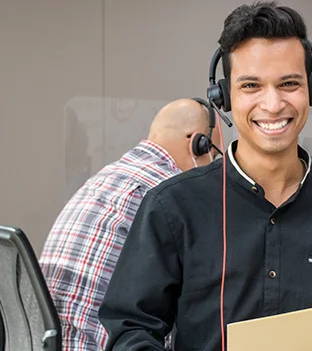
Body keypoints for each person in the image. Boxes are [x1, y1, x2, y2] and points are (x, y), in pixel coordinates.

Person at [99, 1, 312, 351]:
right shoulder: (172, 207)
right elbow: (131, 330)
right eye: (251, 86)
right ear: (225, 97)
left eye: (289, 83)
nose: (273, 104)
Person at [39, 98, 220, 351]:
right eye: (214, 153)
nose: (212, 166)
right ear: (197, 144)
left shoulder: (104, 177)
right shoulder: (170, 197)